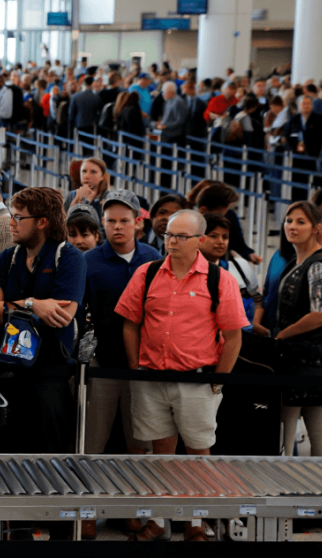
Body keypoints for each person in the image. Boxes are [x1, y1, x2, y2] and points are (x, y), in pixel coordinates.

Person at [116, 209, 247, 542]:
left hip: (197, 380)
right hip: (152, 378)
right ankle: (159, 522)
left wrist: (220, 379)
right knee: (161, 454)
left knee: (198, 454)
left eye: (180, 236)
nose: (171, 241)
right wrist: (135, 368)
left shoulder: (219, 279)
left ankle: (195, 523)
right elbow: (130, 323)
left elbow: (233, 335)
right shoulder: (146, 274)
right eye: (169, 235)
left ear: (200, 241)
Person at [0, 187, 86, 455]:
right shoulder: (7, 258)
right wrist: (33, 304)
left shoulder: (69, 257)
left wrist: (7, 306)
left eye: (18, 218)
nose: (11, 223)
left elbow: (61, 315)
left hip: (49, 378)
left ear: (42, 222)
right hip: (8, 374)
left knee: (47, 460)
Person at [81, 190, 161, 537]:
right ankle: (85, 511)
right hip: (103, 364)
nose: (117, 227)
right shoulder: (89, 261)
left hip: (144, 367)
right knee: (92, 441)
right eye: (110, 221)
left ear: (137, 223)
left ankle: (130, 511)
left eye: (124, 221)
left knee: (136, 442)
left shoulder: (155, 258)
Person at [273, 201, 322, 458]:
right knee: (315, 431)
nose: (292, 226)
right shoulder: (296, 262)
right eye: (288, 220)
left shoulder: (319, 264)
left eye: (301, 221)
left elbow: (321, 314)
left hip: (307, 361)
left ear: (316, 228)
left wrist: (279, 336)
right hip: (305, 361)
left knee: (297, 433)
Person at [199, 212, 265, 335]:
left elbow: (258, 299)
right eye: (213, 236)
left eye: (225, 237)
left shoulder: (240, 266)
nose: (220, 242)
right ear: (199, 239)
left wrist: (255, 324)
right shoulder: (186, 271)